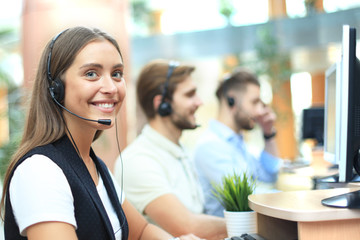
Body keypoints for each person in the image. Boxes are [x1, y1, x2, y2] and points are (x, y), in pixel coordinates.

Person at [0, 27, 200, 240]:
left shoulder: (95, 166)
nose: (111, 87)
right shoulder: (40, 170)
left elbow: (140, 232)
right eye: (91, 74)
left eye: (116, 74)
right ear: (55, 88)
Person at [114, 60, 227, 240]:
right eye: (190, 95)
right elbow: (188, 227)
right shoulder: (137, 160)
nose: (199, 102)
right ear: (162, 104)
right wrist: (254, 221)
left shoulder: (182, 151)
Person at [193, 68, 283, 217]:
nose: (259, 111)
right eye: (254, 102)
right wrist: (290, 198)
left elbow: (270, 174)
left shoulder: (237, 143)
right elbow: (245, 196)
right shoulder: (210, 146)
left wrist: (268, 133)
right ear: (231, 100)